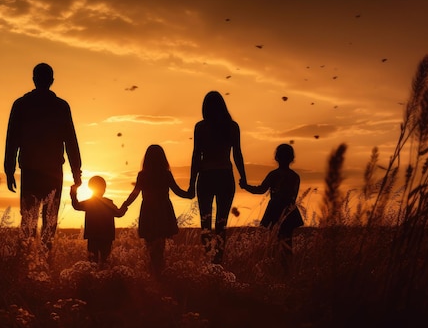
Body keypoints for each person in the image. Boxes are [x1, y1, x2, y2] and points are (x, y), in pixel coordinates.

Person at [4, 63, 82, 249]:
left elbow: (12, 139)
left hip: (31, 171)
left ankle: (28, 260)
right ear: (52, 81)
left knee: (29, 219)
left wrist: (9, 169)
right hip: (52, 172)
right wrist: (76, 173)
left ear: (33, 79)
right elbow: (71, 141)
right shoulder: (61, 107)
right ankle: (44, 260)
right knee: (50, 220)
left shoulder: (21, 105)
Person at [188, 91, 247, 264]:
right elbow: (237, 154)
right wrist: (243, 177)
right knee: (222, 223)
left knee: (205, 223)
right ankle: (218, 262)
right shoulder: (232, 126)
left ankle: (208, 260)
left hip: (206, 177)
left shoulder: (201, 127)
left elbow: (196, 155)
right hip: (225, 177)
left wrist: (192, 183)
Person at [120, 145, 191, 277]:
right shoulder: (166, 174)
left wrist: (124, 205)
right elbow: (177, 190)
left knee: (150, 246)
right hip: (163, 211)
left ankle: (154, 273)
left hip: (148, 211)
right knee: (160, 246)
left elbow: (135, 193)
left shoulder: (143, 175)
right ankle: (159, 273)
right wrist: (189, 194)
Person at [240, 143, 304, 273]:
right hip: (289, 212)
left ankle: (276, 269)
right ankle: (287, 270)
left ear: (276, 157)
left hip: (275, 210)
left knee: (274, 242)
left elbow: (261, 190)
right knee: (287, 242)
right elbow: (293, 197)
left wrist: (246, 186)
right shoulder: (295, 176)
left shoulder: (274, 174)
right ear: (292, 158)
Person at [70, 176, 126, 266]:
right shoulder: (108, 204)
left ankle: (92, 279)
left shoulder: (89, 203)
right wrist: (125, 206)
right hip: (106, 237)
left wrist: (73, 191)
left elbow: (75, 205)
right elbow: (119, 214)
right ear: (104, 189)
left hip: (93, 236)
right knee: (106, 262)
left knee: (92, 263)